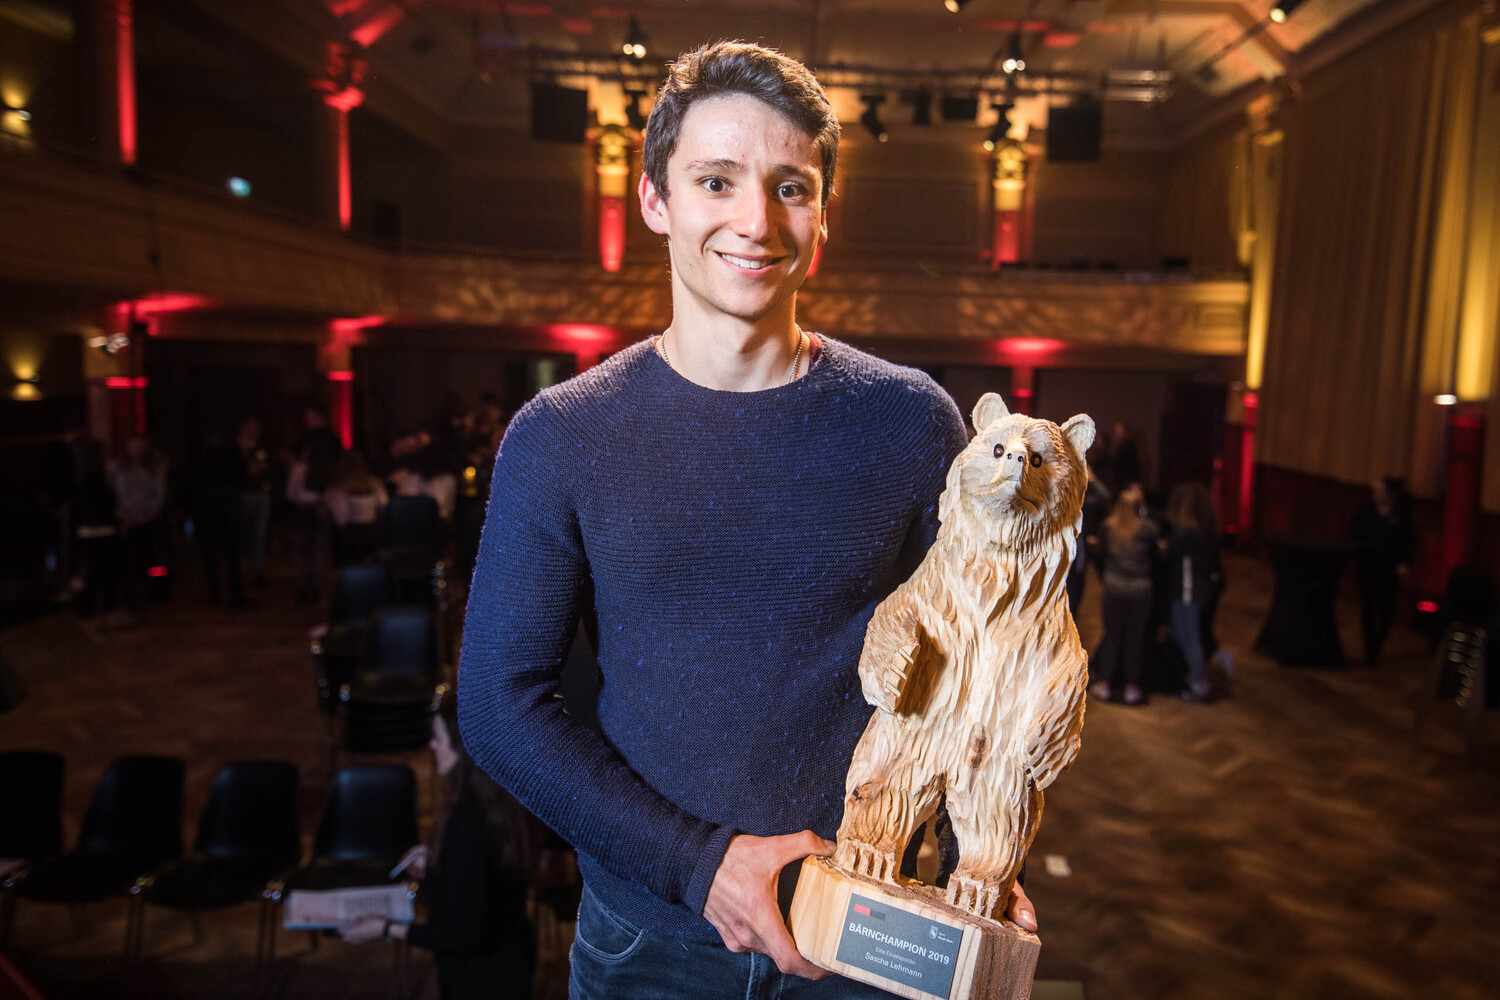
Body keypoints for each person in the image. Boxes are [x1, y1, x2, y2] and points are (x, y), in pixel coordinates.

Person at [457, 41, 1034, 999]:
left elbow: (969, 671)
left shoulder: (911, 421)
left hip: (865, 930)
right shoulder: (561, 435)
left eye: (790, 188)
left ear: (823, 216)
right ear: (656, 199)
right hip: (650, 943)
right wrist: (701, 866)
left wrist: (978, 855)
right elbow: (498, 705)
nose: (756, 221)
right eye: (716, 181)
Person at [340, 695, 538, 1000]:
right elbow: (484, 879)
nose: (431, 746)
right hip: (509, 959)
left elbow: (466, 935)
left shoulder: (465, 824)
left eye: (438, 737)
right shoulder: (499, 800)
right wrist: (438, 861)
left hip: (481, 978)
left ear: (463, 748)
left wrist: (386, 928)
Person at [1090, 482, 1159, 705]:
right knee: (1134, 638)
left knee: (1112, 635)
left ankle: (1105, 683)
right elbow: (1156, 557)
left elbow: (1100, 554)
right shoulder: (1148, 529)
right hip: (1140, 590)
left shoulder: (1109, 527)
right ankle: (1131, 686)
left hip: (1114, 588)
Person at [1163, 482, 1221, 702]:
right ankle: (1191, 678)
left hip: (1187, 592)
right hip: (1196, 591)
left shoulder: (1186, 535)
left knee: (1189, 638)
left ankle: (1198, 683)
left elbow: (1168, 554)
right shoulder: (1204, 532)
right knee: (1184, 635)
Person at [1351, 476, 1415, 664]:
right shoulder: (1365, 513)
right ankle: (1369, 651)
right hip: (1367, 568)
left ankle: (1378, 642)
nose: (1376, 495)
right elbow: (1354, 536)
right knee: (1368, 609)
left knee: (1387, 610)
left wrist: (1405, 563)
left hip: (1389, 570)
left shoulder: (1402, 515)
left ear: (1390, 494)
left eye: (1380, 491)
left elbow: (1409, 541)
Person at [324, 450, 388, 565]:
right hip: (372, 532)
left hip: (350, 536)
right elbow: (384, 503)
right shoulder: (374, 484)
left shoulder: (339, 487)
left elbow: (341, 518)